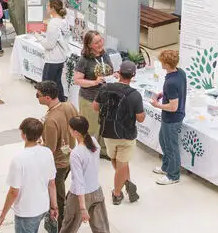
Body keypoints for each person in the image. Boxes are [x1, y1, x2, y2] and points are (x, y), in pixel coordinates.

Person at [0, 117, 64, 233]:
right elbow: (52, 183)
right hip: (42, 206)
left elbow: (13, 192)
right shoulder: (47, 153)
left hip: (26, 211)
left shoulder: (19, 160)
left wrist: (2, 214)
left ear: (23, 135)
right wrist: (54, 206)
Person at [41, 115, 117, 233]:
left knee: (69, 224)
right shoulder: (94, 143)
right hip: (97, 191)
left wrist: (83, 208)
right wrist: (70, 151)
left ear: (75, 132)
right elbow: (87, 161)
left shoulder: (77, 154)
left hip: (79, 196)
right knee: (102, 229)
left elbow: (79, 181)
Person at [94, 60, 145, 203]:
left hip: (108, 133)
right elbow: (140, 119)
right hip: (126, 135)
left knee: (116, 160)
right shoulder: (135, 95)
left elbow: (95, 107)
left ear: (118, 73)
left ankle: (127, 182)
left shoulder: (105, 88)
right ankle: (117, 194)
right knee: (122, 163)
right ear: (133, 75)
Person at [35, 80, 77, 228]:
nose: (37, 97)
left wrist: (38, 143)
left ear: (47, 98)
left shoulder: (51, 121)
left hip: (58, 163)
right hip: (70, 156)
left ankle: (61, 227)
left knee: (58, 198)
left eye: (38, 95)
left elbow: (49, 149)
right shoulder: (69, 106)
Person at [149, 49, 187, 185]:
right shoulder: (180, 73)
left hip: (172, 119)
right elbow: (175, 94)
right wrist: (162, 94)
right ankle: (166, 167)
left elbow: (173, 107)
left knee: (171, 147)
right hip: (171, 117)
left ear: (166, 64)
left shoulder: (171, 83)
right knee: (163, 141)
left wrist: (156, 105)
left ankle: (173, 175)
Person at [74, 30, 114, 149]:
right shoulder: (84, 60)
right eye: (96, 42)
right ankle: (86, 151)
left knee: (104, 126)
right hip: (89, 99)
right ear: (89, 45)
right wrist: (94, 82)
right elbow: (77, 80)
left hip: (105, 98)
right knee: (90, 128)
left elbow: (109, 71)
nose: (100, 44)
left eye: (101, 40)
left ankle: (103, 150)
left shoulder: (104, 55)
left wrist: (114, 75)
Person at [39, 0, 70, 102]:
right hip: (60, 58)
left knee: (47, 87)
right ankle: (62, 104)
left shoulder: (53, 23)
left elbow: (49, 45)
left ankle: (53, 107)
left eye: (48, 6)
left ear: (52, 8)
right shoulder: (64, 22)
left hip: (52, 60)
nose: (47, 8)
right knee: (57, 83)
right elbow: (57, 37)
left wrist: (38, 37)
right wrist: (44, 34)